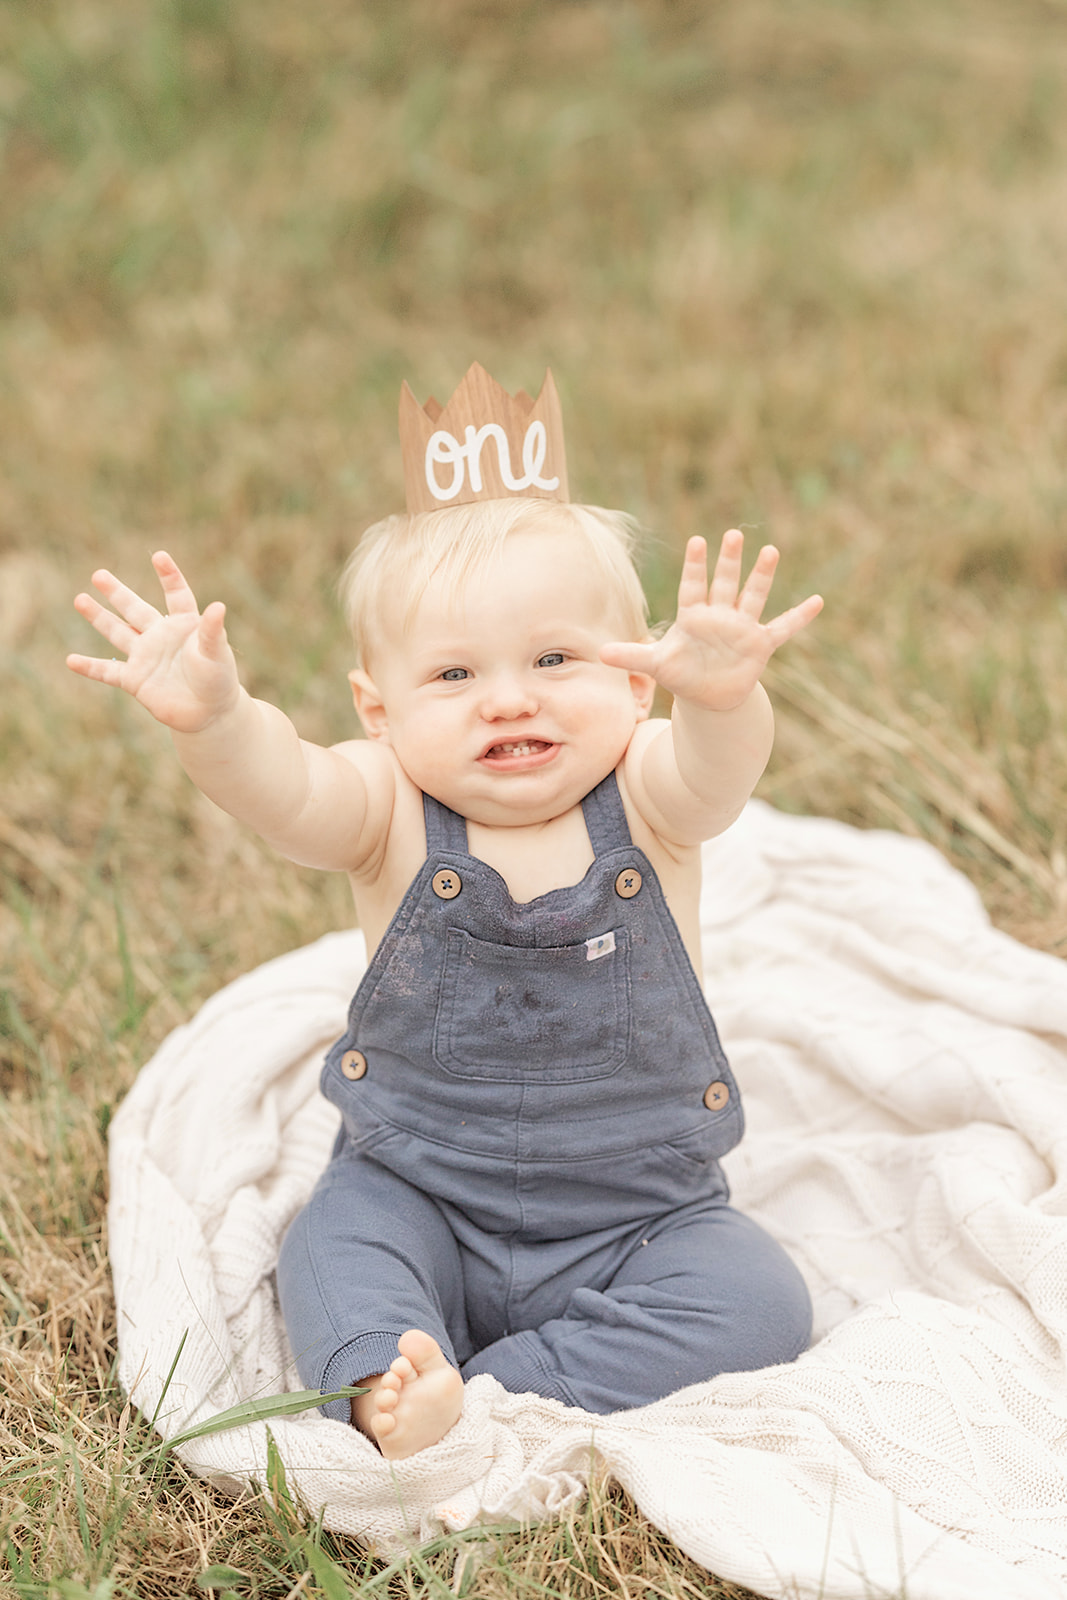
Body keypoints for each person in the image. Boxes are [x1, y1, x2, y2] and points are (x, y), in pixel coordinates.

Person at [68, 367, 823, 1460]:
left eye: (555, 657)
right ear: (377, 710)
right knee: (328, 1243)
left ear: (637, 682)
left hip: (636, 1217)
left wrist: (724, 699)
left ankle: (506, 1385)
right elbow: (285, 791)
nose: (508, 697)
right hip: (421, 1189)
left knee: (757, 1300)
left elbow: (719, 774)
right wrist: (218, 720)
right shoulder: (385, 805)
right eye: (455, 672)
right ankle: (387, 1367)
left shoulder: (652, 791)